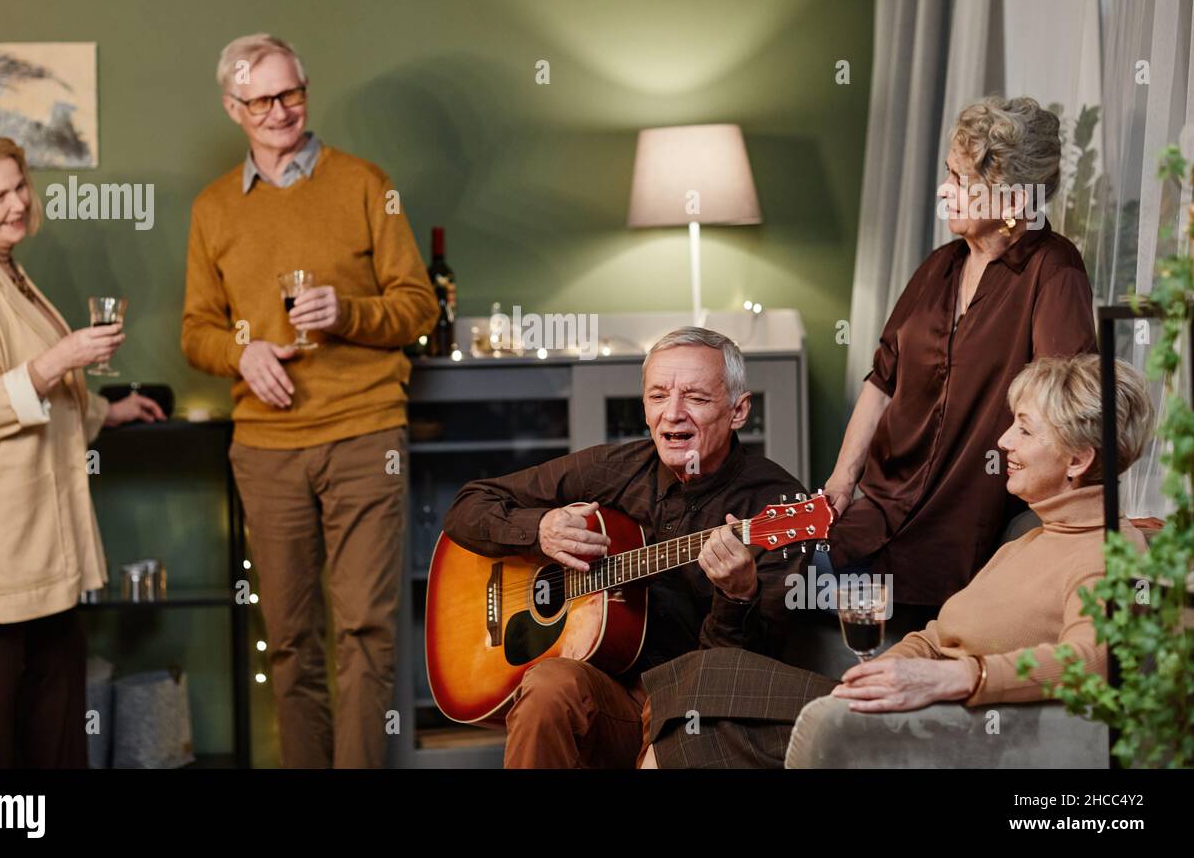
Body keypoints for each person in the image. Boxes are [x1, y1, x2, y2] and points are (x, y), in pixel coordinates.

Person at [640, 353, 1153, 768]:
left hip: (948, 729)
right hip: (912, 703)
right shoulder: (1032, 538)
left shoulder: (1107, 551)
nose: (1003, 442)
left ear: (1078, 460)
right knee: (701, 686)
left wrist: (961, 677)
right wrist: (890, 668)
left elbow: (1095, 661)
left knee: (703, 694)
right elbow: (933, 636)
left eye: (1024, 429)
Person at [182, 34, 439, 768]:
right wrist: (244, 352)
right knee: (291, 639)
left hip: (364, 434)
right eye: (261, 98)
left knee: (365, 630)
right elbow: (196, 331)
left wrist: (348, 313)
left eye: (291, 92)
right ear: (234, 108)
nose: (281, 110)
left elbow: (417, 306)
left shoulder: (365, 183)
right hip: (266, 447)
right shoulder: (212, 211)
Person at [442, 327, 809, 768]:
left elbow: (756, 673)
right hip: (610, 691)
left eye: (695, 397)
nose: (673, 415)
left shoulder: (777, 506)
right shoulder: (614, 468)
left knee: (694, 702)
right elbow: (469, 504)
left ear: (738, 410)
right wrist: (539, 529)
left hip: (696, 703)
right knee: (549, 686)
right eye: (658, 397)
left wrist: (738, 596)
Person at [0, 131, 164, 768]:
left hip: (36, 537)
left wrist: (110, 407)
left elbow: (43, 397)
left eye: (19, 185)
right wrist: (62, 358)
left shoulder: (6, 271)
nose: (16, 203)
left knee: (55, 687)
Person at [822, 96, 1098, 614]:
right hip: (875, 515)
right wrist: (841, 483)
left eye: (962, 182)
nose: (943, 192)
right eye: (948, 173)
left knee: (777, 591)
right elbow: (883, 379)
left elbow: (1062, 412)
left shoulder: (1053, 271)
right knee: (770, 576)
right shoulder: (940, 266)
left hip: (956, 538)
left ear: (1015, 203)